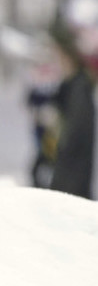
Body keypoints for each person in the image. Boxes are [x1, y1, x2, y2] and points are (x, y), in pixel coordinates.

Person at [48, 21, 96, 199]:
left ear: (66, 56)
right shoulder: (70, 87)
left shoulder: (79, 88)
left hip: (72, 184)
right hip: (68, 179)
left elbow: (74, 137)